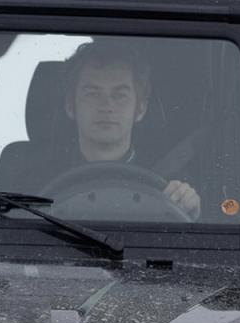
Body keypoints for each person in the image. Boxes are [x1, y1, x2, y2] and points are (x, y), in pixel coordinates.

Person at [60, 40, 202, 220]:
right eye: (92, 93)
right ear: (70, 106)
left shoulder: (171, 187)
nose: (107, 106)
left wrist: (192, 214)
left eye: (120, 95)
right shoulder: (36, 180)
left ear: (140, 109)